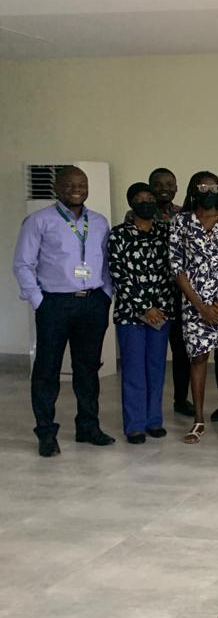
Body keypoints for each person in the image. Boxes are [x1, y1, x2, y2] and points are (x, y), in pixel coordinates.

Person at [13, 165, 115, 457]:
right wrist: (39, 301)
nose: (76, 189)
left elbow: (106, 261)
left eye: (82, 184)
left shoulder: (99, 222)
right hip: (55, 304)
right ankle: (46, 432)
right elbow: (23, 264)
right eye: (69, 184)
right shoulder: (39, 221)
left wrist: (106, 294)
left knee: (88, 369)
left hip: (92, 302)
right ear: (57, 188)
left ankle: (88, 426)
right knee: (47, 370)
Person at [169, 172, 218, 443]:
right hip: (194, 303)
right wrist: (200, 306)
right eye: (203, 187)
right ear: (194, 190)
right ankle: (198, 419)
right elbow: (176, 266)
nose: (209, 191)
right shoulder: (181, 221)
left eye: (214, 187)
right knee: (198, 358)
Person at [108, 183, 175, 443]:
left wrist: (158, 308)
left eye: (149, 198)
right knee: (134, 369)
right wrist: (144, 307)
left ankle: (153, 420)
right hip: (131, 313)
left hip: (161, 314)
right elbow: (119, 275)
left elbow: (171, 273)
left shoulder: (165, 232)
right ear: (131, 203)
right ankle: (135, 424)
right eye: (140, 198)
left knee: (156, 368)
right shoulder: (119, 235)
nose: (146, 202)